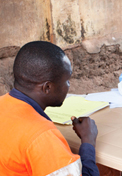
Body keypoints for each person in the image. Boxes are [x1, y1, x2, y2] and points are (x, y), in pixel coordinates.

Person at [0, 41, 99, 175]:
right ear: (47, 88)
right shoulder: (42, 136)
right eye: (67, 80)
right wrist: (88, 142)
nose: (69, 85)